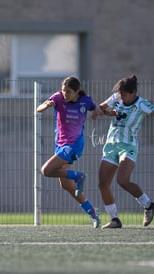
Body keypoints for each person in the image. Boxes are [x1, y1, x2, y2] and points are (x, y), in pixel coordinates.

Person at [98, 75, 154, 229]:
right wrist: (105, 112)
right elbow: (100, 109)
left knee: (122, 180)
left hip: (128, 146)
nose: (121, 97)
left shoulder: (141, 103)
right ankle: (115, 219)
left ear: (133, 92)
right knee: (103, 184)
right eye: (120, 94)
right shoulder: (116, 97)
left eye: (124, 94)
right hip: (110, 145)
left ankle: (148, 205)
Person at [36, 76, 102, 228]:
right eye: (64, 91)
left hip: (74, 145)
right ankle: (93, 213)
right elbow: (38, 108)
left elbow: (96, 107)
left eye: (69, 92)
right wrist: (47, 104)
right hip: (60, 146)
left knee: (46, 170)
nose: (65, 94)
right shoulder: (58, 98)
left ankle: (79, 176)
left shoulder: (85, 101)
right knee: (66, 186)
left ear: (77, 91)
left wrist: (97, 112)